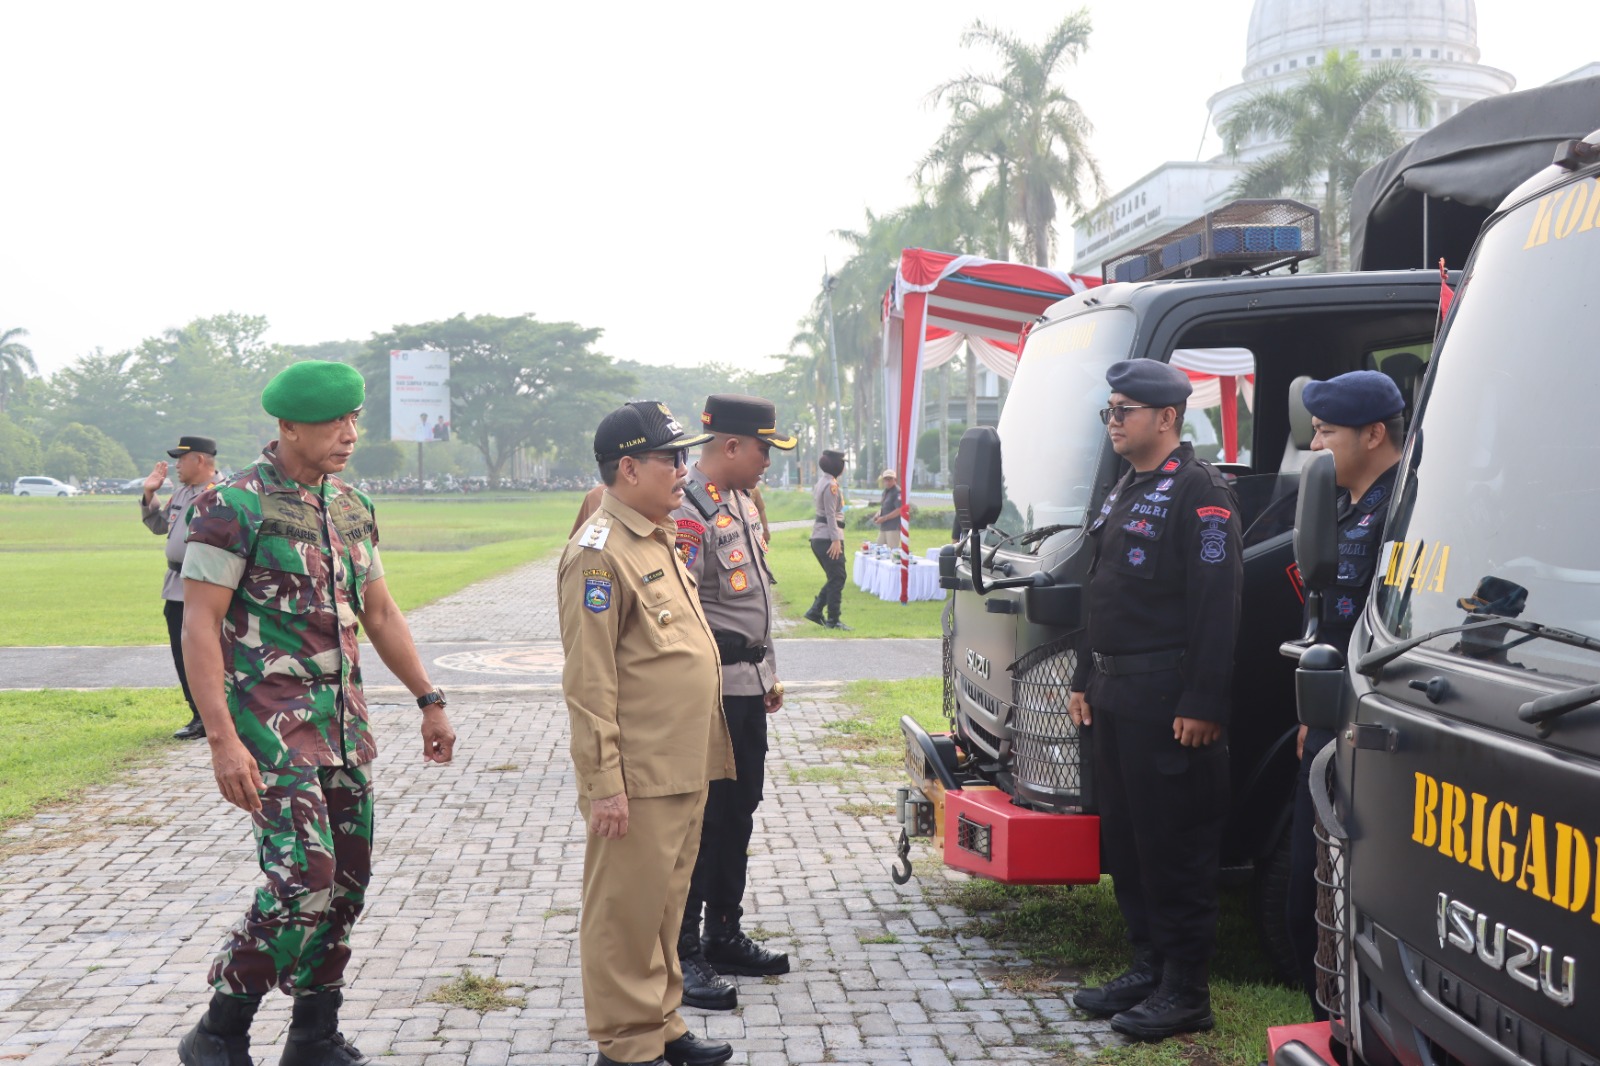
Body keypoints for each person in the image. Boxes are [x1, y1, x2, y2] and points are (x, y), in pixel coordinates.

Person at [176, 360, 458, 1066]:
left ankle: (313, 1033)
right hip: (270, 733)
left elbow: (382, 611)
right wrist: (221, 741)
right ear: (288, 426)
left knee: (347, 885)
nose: (350, 433)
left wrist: (430, 699)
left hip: (343, 728)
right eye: (335, 422)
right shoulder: (232, 506)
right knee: (304, 881)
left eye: (355, 419)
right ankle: (220, 1028)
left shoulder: (352, 505)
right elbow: (200, 627)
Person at [1066, 360, 1243, 1040]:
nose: (1113, 421)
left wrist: (1203, 701)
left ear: (1166, 418)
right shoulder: (1125, 488)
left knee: (1175, 845)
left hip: (1166, 696)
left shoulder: (1199, 493)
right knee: (1131, 844)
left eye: (1124, 410)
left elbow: (1216, 607)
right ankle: (1148, 965)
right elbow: (1103, 590)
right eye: (1109, 410)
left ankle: (1186, 990)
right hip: (1114, 692)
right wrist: (1084, 675)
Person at [558, 400, 737, 1066]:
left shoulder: (653, 537)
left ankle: (662, 1023)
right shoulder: (599, 555)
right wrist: (604, 783)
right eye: (672, 458)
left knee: (664, 907)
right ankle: (627, 1045)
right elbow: (590, 679)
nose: (685, 469)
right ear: (628, 468)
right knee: (625, 914)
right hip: (636, 773)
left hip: (680, 764)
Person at [669, 396, 795, 1012]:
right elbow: (686, 610)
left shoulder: (741, 503)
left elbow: (756, 599)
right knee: (705, 820)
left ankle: (723, 932)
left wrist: (768, 672)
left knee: (739, 812)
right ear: (733, 446)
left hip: (747, 687)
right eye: (765, 449)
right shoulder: (688, 510)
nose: (768, 462)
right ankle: (684, 952)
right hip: (710, 694)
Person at [1286, 369, 1406, 1017]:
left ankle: (1341, 1022)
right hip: (1330, 718)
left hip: (1368, 733)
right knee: (1311, 898)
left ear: (1374, 434)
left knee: (1342, 896)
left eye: (1326, 432)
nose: (1313, 446)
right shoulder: (1348, 506)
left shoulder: (1402, 513)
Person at [139, 435, 218, 740]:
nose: (176, 465)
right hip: (177, 586)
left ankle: (224, 713)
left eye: (181, 459)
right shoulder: (182, 493)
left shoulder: (223, 492)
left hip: (210, 584)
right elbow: (159, 525)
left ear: (199, 460)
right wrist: (149, 493)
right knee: (182, 652)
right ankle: (199, 715)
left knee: (215, 652)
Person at [805, 449, 850, 630]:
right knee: (838, 577)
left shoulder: (822, 482)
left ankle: (815, 611)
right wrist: (836, 540)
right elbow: (831, 515)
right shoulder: (831, 485)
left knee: (835, 577)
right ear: (838, 466)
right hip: (828, 538)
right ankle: (833, 620)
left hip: (819, 537)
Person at [872, 470, 901, 547]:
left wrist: (884, 518)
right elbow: (884, 506)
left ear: (895, 480)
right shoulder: (886, 491)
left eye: (890, 479)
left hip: (893, 527)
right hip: (884, 527)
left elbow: (899, 510)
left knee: (892, 551)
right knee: (879, 549)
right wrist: (878, 514)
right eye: (886, 479)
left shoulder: (897, 492)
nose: (888, 482)